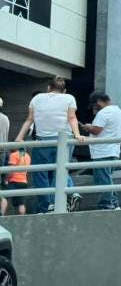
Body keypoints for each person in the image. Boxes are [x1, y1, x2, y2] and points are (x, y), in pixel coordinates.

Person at [14, 76, 85, 213]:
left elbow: (30, 119)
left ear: (48, 88)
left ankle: (45, 206)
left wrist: (19, 137)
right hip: (65, 140)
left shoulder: (37, 98)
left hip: (43, 140)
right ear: (64, 90)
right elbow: (72, 118)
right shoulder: (69, 98)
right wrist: (77, 134)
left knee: (41, 173)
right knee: (61, 170)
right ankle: (64, 197)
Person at [80, 91, 121, 210]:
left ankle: (106, 204)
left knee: (103, 180)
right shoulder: (117, 111)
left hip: (102, 151)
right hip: (113, 150)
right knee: (107, 178)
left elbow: (96, 130)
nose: (94, 109)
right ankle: (114, 203)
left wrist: (88, 127)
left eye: (94, 106)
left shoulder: (104, 112)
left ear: (99, 102)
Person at [2, 147, 30, 216]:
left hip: (14, 180)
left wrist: (6, 179)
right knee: (21, 203)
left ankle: (1, 214)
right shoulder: (27, 156)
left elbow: (11, 171)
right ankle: (22, 217)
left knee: (3, 196)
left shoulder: (13, 155)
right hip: (23, 181)